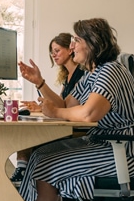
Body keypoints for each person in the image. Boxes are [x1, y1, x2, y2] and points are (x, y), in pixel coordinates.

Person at [9, 18, 134, 201]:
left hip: (128, 153)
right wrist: (40, 83)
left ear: (92, 43)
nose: (72, 45)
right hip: (111, 146)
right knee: (41, 153)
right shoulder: (93, 74)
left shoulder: (111, 71)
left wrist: (56, 111)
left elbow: (88, 113)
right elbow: (66, 103)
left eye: (76, 40)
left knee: (47, 161)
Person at [9, 32, 85, 188]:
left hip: (78, 131)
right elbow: (61, 103)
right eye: (52, 52)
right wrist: (42, 105)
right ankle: (22, 176)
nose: (53, 55)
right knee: (27, 131)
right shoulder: (68, 76)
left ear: (70, 49)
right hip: (71, 125)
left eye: (57, 50)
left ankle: (22, 177)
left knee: (29, 134)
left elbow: (63, 106)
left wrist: (40, 83)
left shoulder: (82, 74)